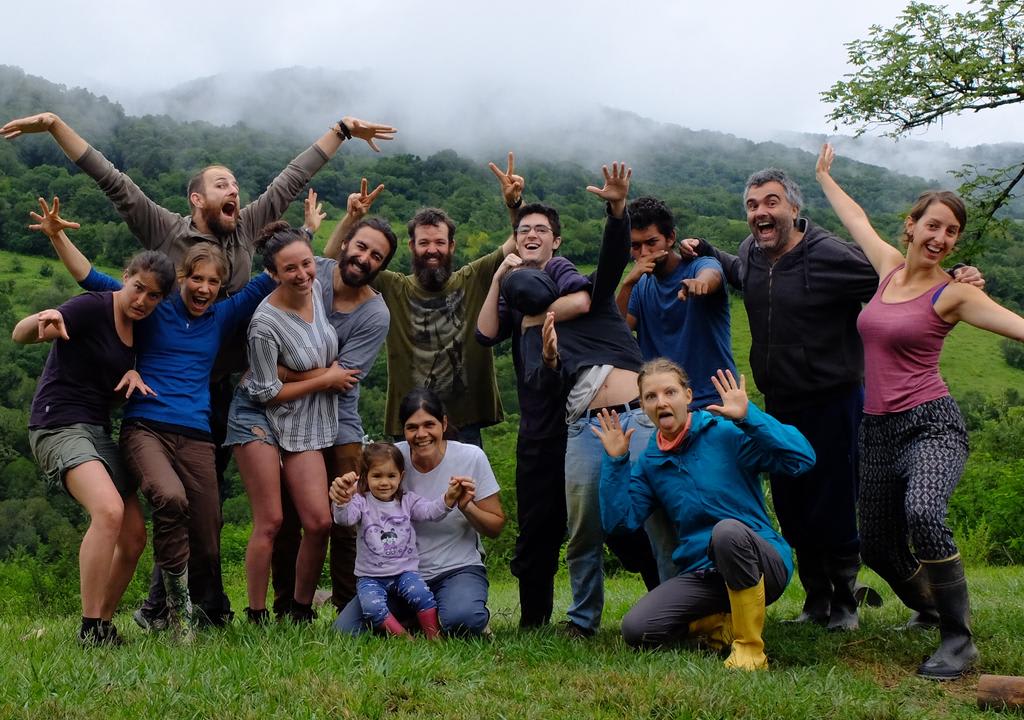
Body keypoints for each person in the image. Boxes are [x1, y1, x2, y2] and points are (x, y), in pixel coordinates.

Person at [1, 109, 397, 628]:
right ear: (197, 199)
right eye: (220, 183)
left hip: (221, 392)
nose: (233, 188)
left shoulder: (247, 227)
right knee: (174, 503)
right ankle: (166, 609)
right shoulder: (164, 228)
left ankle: (180, 608)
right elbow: (109, 180)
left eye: (234, 182)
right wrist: (55, 127)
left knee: (202, 512)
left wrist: (340, 132)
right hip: (161, 391)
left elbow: (292, 179)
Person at [689, 167, 984, 632]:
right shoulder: (753, 251)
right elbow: (743, 274)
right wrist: (708, 252)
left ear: (793, 207)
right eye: (752, 205)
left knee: (833, 501)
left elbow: (904, 278)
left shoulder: (830, 254)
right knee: (792, 502)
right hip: (779, 403)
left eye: (771, 202)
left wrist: (958, 277)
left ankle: (845, 601)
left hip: (834, 400)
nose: (761, 213)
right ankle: (815, 600)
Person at [815, 143, 1024, 679]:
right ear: (911, 226)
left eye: (951, 232)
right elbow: (856, 219)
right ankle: (930, 609)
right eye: (932, 225)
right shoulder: (886, 270)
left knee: (926, 513)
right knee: (880, 546)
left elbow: (1019, 326)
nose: (940, 238)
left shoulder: (952, 295)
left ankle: (959, 639)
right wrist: (824, 178)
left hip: (932, 424)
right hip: (877, 429)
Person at [42, 197, 277, 632]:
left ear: (220, 286)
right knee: (169, 498)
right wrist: (57, 236)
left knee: (208, 527)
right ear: (182, 278)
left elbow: (272, 276)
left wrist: (322, 228)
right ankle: (175, 614)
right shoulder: (153, 308)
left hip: (196, 433)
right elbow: (91, 278)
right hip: (146, 426)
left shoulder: (221, 317)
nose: (204, 288)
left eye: (213, 281)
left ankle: (162, 611)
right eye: (196, 279)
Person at [504, 163, 667, 637]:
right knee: (583, 531)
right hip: (583, 428)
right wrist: (553, 361)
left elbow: (613, 256)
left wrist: (617, 208)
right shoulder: (533, 331)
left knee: (654, 519)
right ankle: (582, 621)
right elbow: (537, 382)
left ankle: (675, 609)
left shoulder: (592, 297)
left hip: (638, 417)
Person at [13, 201, 176, 644]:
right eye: (138, 288)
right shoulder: (91, 306)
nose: (143, 300)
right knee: (108, 510)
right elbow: (21, 333)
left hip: (97, 431)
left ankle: (103, 621)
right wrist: (41, 320)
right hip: (57, 425)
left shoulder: (141, 330)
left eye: (154, 295)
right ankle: (89, 629)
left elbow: (132, 366)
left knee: (135, 536)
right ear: (126, 277)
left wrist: (136, 370)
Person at [594, 360, 815, 671]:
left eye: (670, 392)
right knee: (637, 628)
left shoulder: (725, 433)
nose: (662, 402)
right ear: (642, 406)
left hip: (762, 563)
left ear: (687, 395)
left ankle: (749, 649)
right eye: (651, 397)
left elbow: (801, 458)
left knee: (726, 532)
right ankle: (720, 623)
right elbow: (619, 524)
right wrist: (616, 463)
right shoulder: (650, 464)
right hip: (704, 573)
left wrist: (750, 417)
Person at [323, 164, 517, 446]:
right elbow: (332, 264)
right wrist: (351, 220)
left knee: (466, 490)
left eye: (440, 242)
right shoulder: (392, 286)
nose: (432, 250)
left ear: (451, 246)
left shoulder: (473, 278)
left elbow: (518, 242)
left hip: (466, 421)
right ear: (412, 247)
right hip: (410, 422)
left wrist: (514, 203)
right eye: (424, 242)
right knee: (411, 492)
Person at [270, 190, 395, 618]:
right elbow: (321, 368)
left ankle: (348, 607)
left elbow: (343, 379)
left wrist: (285, 372)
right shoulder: (315, 274)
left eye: (376, 256)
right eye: (361, 247)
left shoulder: (376, 314)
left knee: (347, 515)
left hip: (340, 420)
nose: (364, 258)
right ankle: (288, 606)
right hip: (290, 416)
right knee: (289, 518)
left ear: (381, 266)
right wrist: (302, 374)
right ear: (345, 244)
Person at [225, 222, 343, 624]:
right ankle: (256, 613)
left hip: (302, 417)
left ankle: (299, 609)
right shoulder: (264, 325)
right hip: (257, 414)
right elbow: (265, 390)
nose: (302, 274)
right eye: (290, 269)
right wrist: (326, 378)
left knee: (319, 520)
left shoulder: (319, 291)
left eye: (307, 264)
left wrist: (347, 218)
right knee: (272, 520)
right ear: (273, 273)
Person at [331, 388, 506, 637]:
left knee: (464, 620)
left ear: (443, 424)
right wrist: (341, 496)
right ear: (403, 429)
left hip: (455, 569)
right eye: (412, 427)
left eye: (429, 425)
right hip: (395, 574)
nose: (421, 434)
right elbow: (357, 502)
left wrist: (466, 506)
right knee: (346, 632)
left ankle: (459, 612)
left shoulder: (470, 457)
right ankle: (416, 619)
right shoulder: (391, 459)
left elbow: (496, 526)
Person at [332, 442, 471, 638]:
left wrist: (448, 498)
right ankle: (404, 638)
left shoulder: (407, 501)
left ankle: (434, 636)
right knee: (372, 608)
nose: (384, 482)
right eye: (377, 476)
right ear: (365, 477)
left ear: (401, 476)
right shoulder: (361, 502)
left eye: (391, 476)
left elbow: (430, 511)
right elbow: (344, 519)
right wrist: (341, 501)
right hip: (370, 577)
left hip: (405, 573)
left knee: (423, 596)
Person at [618, 196, 737, 408]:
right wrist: (627, 284)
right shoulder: (639, 286)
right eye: (635, 246)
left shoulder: (698, 265)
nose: (644, 253)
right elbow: (618, 333)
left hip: (715, 404)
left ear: (671, 237)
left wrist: (700, 284)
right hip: (665, 409)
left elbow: (712, 275)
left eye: (651, 242)